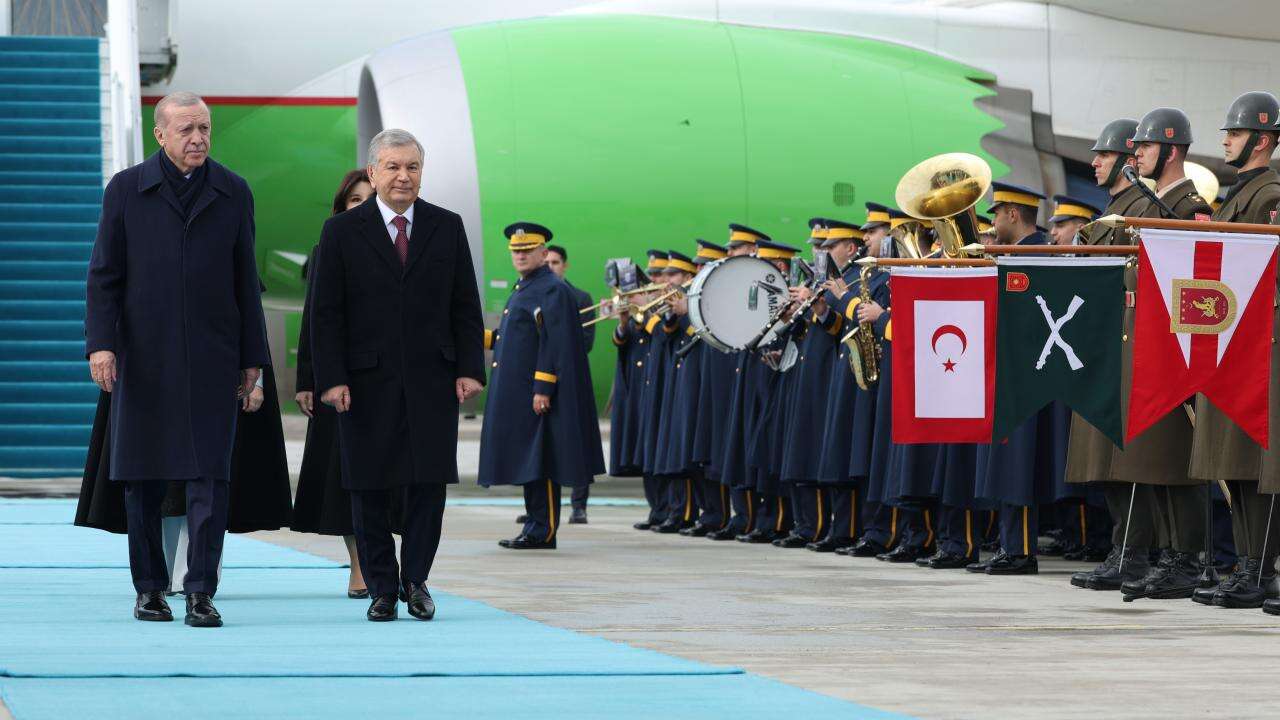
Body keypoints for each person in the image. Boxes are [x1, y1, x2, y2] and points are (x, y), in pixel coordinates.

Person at [85, 91, 268, 627]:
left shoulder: (232, 191)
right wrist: (102, 344)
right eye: (186, 130)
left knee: (210, 478)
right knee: (141, 480)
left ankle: (201, 591)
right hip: (143, 357)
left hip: (213, 357)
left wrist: (252, 357)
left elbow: (244, 281)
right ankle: (149, 588)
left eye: (205, 129)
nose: (198, 140)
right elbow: (104, 275)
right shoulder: (126, 190)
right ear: (160, 135)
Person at [311, 128, 485, 621]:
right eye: (392, 167)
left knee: (428, 486)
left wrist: (470, 368)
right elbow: (327, 313)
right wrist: (332, 378)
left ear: (421, 173)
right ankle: (382, 588)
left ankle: (417, 580)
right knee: (368, 485)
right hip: (363, 384)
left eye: (411, 167)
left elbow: (464, 305)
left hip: (432, 380)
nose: (402, 176)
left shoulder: (446, 226)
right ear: (373, 172)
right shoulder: (342, 232)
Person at [1116, 107, 1214, 600]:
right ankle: (1172, 554)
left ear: (1171, 151)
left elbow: (1196, 279)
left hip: (1177, 343)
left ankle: (1189, 558)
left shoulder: (1190, 206)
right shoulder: (1150, 204)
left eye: (1146, 147)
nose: (1137, 155)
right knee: (1156, 457)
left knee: (1178, 457)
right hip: (1150, 343)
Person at [1189, 92, 1280, 609]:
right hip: (1231, 345)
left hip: (1255, 346)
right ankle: (1250, 565)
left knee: (1256, 463)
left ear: (1262, 140)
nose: (1226, 138)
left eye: (1237, 132)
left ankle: (1258, 566)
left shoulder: (1268, 195)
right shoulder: (1241, 193)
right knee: (1237, 464)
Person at [291, 168, 387, 599]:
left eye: (371, 198)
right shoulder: (327, 247)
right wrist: (309, 379)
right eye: (355, 200)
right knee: (342, 476)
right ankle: (358, 563)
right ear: (341, 208)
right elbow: (314, 319)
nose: (364, 206)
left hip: (388, 378)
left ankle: (386, 558)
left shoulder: (406, 246)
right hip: (339, 380)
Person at [479, 222, 605, 549]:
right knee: (530, 460)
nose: (520, 255)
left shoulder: (551, 289)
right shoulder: (526, 287)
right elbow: (518, 337)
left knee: (542, 460)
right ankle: (535, 525)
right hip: (520, 391)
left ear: (543, 253)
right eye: (515, 251)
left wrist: (543, 387)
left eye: (527, 250)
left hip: (535, 392)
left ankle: (543, 530)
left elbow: (555, 342)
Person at [544, 243, 594, 524]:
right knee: (543, 445)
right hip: (544, 378)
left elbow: (586, 342)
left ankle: (579, 505)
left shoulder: (580, 297)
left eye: (555, 263)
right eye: (547, 262)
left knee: (576, 443)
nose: (551, 267)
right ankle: (538, 507)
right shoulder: (532, 292)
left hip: (571, 379)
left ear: (565, 266)